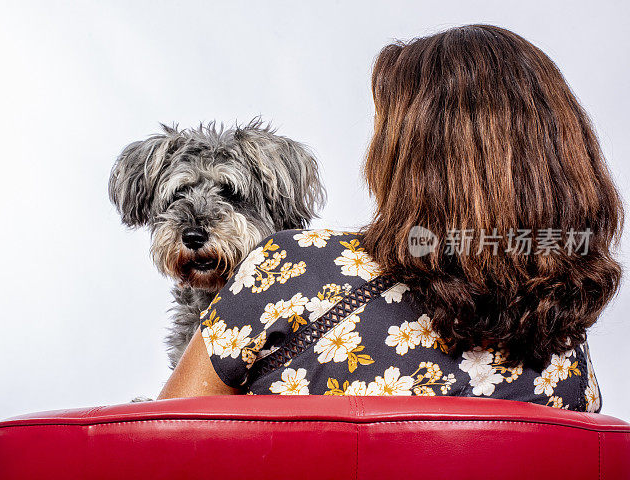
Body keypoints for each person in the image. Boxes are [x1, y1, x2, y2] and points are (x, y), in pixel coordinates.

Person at [158, 24, 622, 412]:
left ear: (410, 163)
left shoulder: (289, 270)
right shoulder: (568, 354)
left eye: (384, 132)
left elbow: (161, 442)